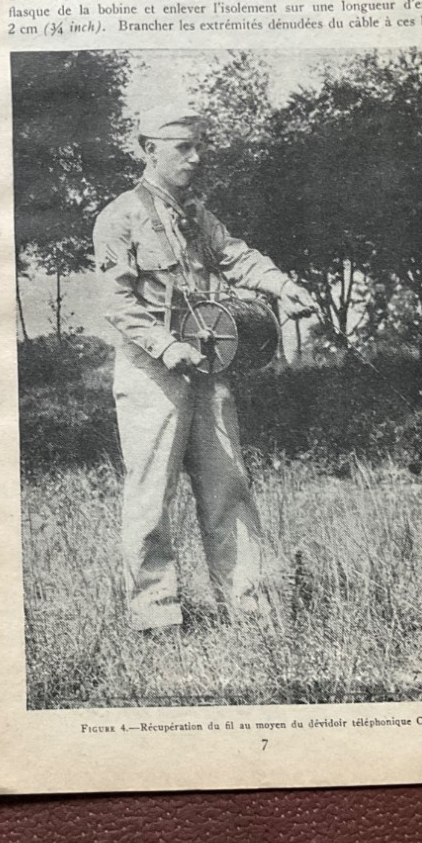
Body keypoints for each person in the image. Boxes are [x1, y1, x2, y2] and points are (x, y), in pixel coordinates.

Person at [92, 109, 319, 632]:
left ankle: (250, 610)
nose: (196, 158)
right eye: (183, 148)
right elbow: (117, 302)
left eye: (198, 146)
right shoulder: (120, 216)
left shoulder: (197, 215)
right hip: (153, 372)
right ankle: (156, 620)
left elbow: (238, 258)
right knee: (151, 495)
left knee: (228, 487)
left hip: (209, 367)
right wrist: (166, 347)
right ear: (148, 149)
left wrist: (284, 287)